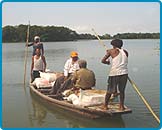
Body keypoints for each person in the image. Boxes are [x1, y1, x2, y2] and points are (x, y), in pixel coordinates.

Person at [101, 39, 128, 110]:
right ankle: (121, 106)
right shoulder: (125, 52)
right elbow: (121, 60)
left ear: (114, 45)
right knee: (122, 91)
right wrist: (110, 52)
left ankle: (105, 106)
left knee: (109, 90)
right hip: (124, 73)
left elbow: (103, 61)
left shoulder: (111, 51)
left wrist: (107, 62)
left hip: (114, 73)